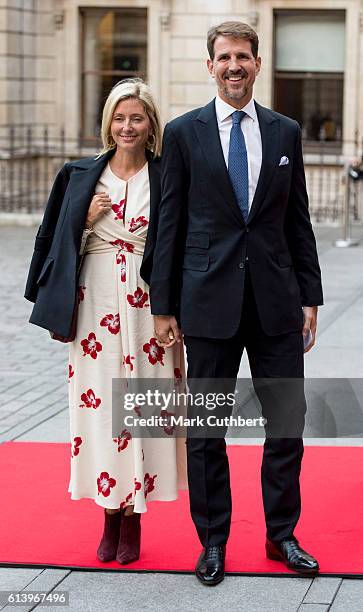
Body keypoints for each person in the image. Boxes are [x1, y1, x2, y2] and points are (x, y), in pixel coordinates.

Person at [148, 22, 323, 585]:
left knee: (285, 425)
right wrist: (163, 304)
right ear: (210, 65)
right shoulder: (182, 133)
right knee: (206, 434)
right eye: (223, 57)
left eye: (243, 57)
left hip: (276, 302)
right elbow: (169, 222)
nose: (233, 66)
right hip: (207, 302)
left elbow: (298, 218)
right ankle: (213, 541)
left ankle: (282, 535)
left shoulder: (284, 131)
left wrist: (311, 297)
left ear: (257, 63)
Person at [25, 78, 186, 565]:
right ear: (108, 123)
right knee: (99, 413)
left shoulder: (167, 177)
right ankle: (109, 513)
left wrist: (173, 310)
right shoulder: (80, 175)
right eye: (119, 118)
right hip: (94, 302)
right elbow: (50, 242)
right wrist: (85, 222)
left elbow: (179, 245)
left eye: (136, 117)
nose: (127, 126)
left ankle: (134, 517)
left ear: (150, 123)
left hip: (147, 307)